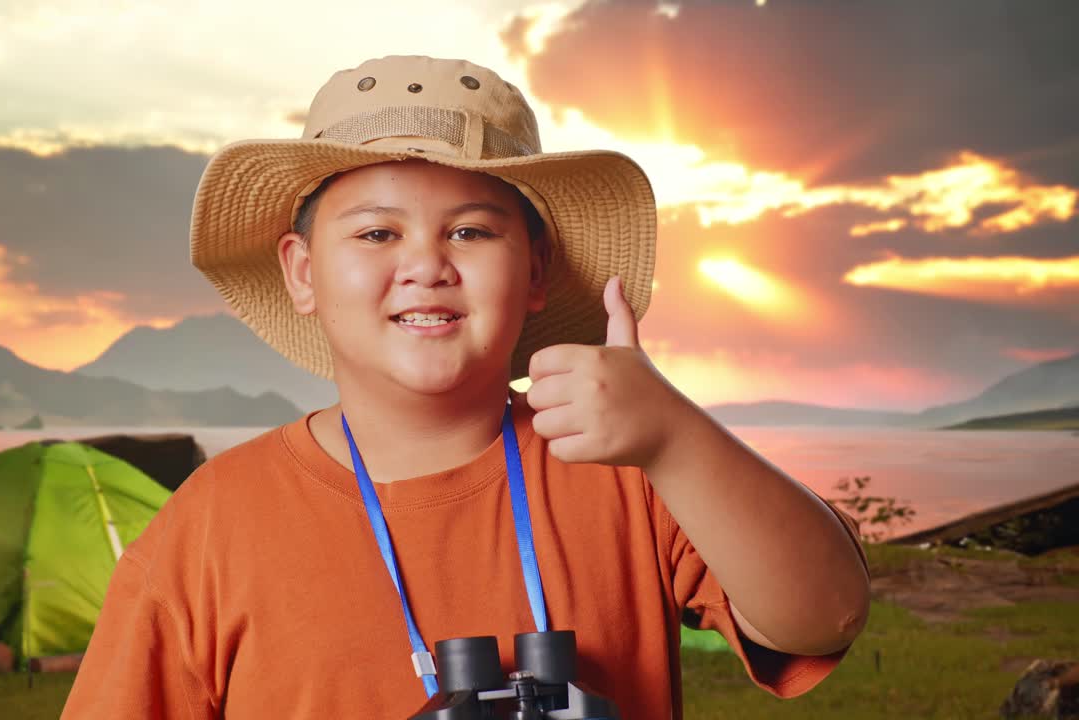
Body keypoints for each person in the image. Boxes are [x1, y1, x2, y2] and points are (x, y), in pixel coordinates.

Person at [60, 55, 871, 719]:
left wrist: (675, 436)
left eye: (472, 231)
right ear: (302, 272)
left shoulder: (632, 475)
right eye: (377, 232)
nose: (426, 265)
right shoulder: (211, 525)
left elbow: (825, 614)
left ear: (537, 270)